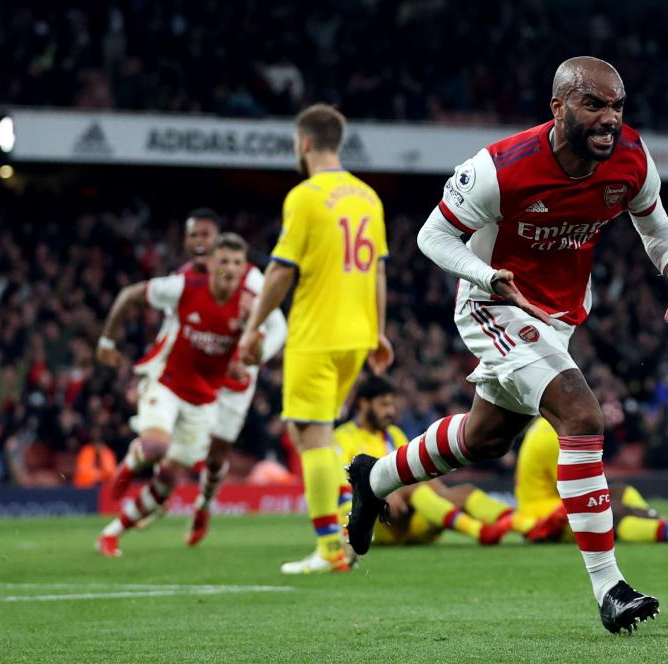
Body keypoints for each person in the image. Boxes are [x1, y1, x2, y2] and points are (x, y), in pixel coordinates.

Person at [346, 56, 668, 634]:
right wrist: (489, 279)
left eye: (617, 106)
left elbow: (654, 221)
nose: (610, 119)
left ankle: (374, 479)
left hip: (556, 313)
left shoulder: (631, 157)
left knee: (484, 438)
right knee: (581, 413)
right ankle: (610, 587)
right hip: (494, 303)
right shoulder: (499, 168)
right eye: (594, 105)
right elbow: (431, 235)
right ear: (558, 107)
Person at [238, 104, 393, 575]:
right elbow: (379, 270)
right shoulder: (368, 196)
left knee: (313, 436)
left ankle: (330, 548)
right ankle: (345, 516)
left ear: (304, 142)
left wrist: (253, 327)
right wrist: (379, 331)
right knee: (310, 432)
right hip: (356, 334)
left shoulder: (305, 196)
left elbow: (282, 270)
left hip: (316, 333)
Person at [94, 233, 283, 557]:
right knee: (156, 446)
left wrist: (246, 361)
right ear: (210, 263)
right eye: (223, 260)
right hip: (166, 383)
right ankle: (130, 464)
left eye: (237, 263)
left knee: (168, 476)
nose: (229, 268)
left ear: (244, 268)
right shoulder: (183, 287)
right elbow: (130, 295)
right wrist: (107, 342)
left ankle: (111, 535)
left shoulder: (250, 306)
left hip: (204, 401)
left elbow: (256, 349)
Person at [321, 376, 513, 561]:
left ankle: (524, 524)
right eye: (383, 404)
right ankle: (478, 531)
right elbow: (342, 484)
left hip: (410, 520)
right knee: (411, 486)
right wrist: (379, 491)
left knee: (463, 492)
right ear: (363, 403)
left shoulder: (394, 434)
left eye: (392, 404)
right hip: (378, 523)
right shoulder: (343, 437)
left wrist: (442, 494)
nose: (390, 410)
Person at [514, 418, 668, 544]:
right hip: (544, 515)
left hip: (553, 502)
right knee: (611, 513)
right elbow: (574, 488)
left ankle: (663, 525)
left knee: (624, 491)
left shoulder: (548, 426)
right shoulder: (549, 435)